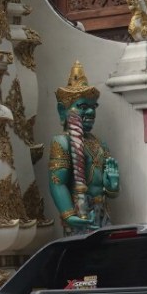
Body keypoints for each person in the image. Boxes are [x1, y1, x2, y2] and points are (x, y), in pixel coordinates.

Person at [48, 61, 120, 235]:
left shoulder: (99, 143)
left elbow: (108, 189)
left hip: (101, 210)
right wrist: (68, 214)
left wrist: (112, 185)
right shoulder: (62, 142)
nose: (90, 113)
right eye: (82, 106)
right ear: (63, 110)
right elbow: (57, 182)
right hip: (79, 209)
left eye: (92, 107)